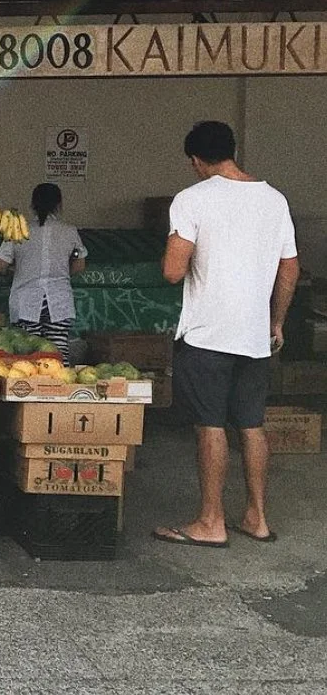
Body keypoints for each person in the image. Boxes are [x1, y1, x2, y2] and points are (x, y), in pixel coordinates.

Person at [153, 121, 298, 549]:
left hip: (207, 335)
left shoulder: (192, 200)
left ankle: (210, 522)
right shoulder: (274, 200)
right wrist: (276, 322)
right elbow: (289, 267)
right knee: (252, 424)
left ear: (196, 160)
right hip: (254, 336)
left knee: (210, 425)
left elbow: (172, 271)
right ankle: (257, 517)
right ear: (232, 150)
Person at [0, 183, 87, 363]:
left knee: (27, 355)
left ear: (32, 205)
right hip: (59, 300)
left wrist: (18, 270)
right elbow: (80, 265)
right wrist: (60, 272)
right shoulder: (69, 232)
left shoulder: (18, 230)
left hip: (26, 300)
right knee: (58, 356)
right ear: (59, 205)